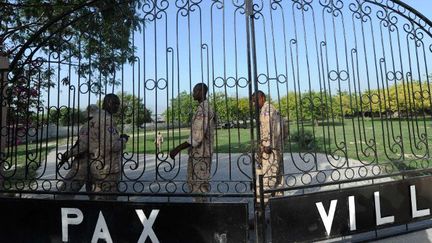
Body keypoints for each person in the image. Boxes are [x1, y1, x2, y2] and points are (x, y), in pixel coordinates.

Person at [169, 83, 215, 202]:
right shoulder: (203, 108)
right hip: (198, 155)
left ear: (200, 91)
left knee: (200, 188)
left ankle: (202, 214)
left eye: (194, 91)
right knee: (195, 186)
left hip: (201, 155)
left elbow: (196, 137)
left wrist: (177, 149)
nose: (193, 93)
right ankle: (199, 212)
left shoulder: (203, 110)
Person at [58, 104, 100, 198]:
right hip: (98, 162)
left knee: (66, 192)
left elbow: (83, 146)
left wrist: (68, 154)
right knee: (94, 193)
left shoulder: (89, 125)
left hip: (84, 162)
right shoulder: (103, 125)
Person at [251, 90, 284, 205]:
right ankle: (279, 205)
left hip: (270, 150)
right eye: (253, 102)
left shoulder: (267, 110)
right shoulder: (270, 109)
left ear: (263, 98)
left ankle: (261, 208)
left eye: (256, 101)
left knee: (267, 178)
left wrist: (269, 145)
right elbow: (283, 129)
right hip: (275, 148)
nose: (254, 104)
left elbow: (273, 128)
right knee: (278, 178)